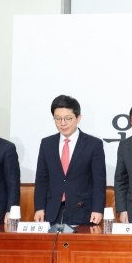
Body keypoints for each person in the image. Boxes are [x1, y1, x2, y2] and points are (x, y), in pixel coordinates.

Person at [34, 95, 106, 225]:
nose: (63, 123)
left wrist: (98, 209)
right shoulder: (47, 143)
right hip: (52, 211)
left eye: (68, 118)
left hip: (82, 210)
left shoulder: (93, 144)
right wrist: (39, 208)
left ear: (78, 118)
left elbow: (99, 181)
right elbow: (42, 179)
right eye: (58, 119)